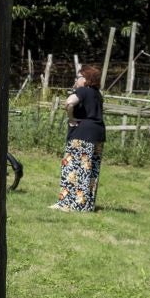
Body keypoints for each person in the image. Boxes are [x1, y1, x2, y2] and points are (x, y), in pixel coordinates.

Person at [53, 64, 106, 213]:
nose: (76, 80)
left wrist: (71, 118)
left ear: (86, 79)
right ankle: (86, 205)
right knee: (91, 170)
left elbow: (69, 102)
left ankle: (67, 204)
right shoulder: (97, 94)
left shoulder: (83, 91)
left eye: (79, 77)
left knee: (72, 168)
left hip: (82, 134)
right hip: (98, 134)